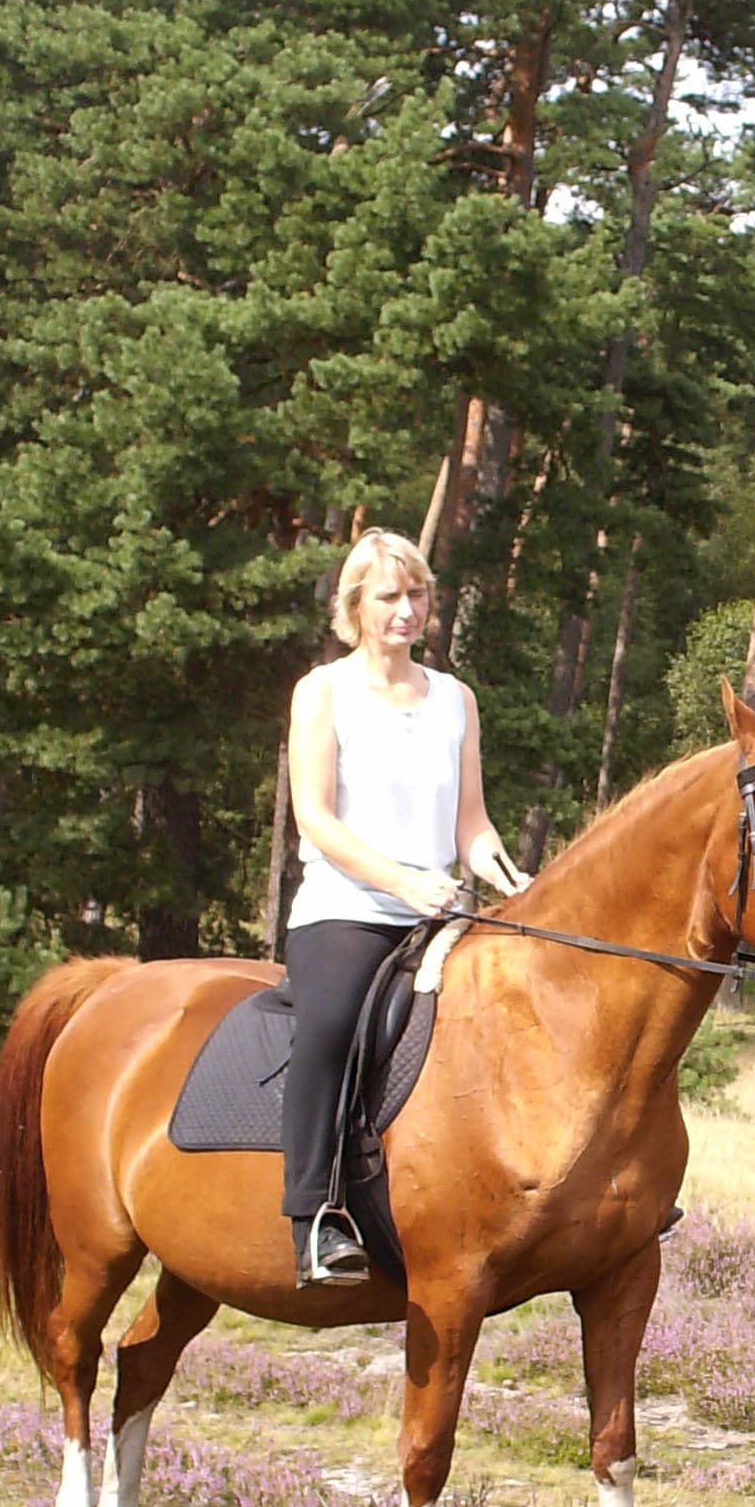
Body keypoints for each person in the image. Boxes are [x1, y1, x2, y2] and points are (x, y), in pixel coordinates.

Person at [281, 529, 529, 1287]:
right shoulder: (323, 691)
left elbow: (472, 826)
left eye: (416, 593)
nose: (406, 609)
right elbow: (315, 819)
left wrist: (515, 882)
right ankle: (316, 1218)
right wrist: (402, 881)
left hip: (442, 913)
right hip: (347, 908)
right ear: (354, 605)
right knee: (327, 1028)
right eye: (388, 595)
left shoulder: (455, 698)